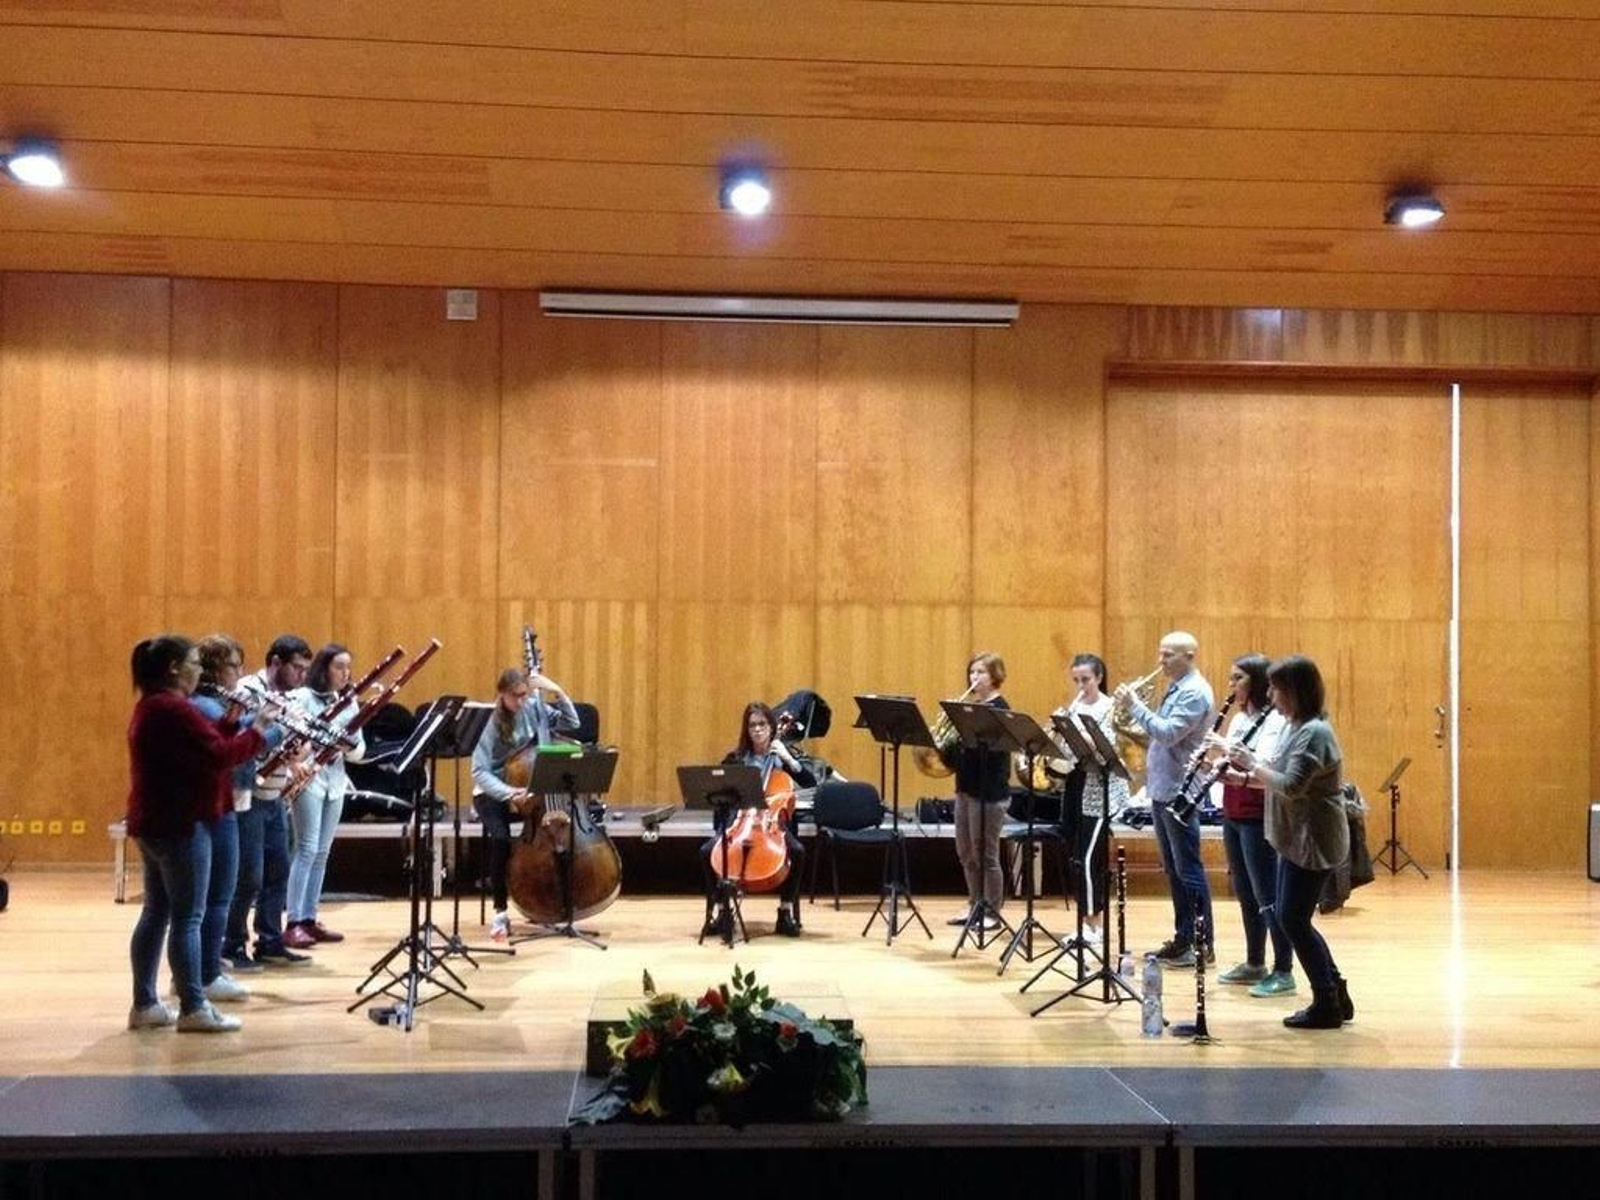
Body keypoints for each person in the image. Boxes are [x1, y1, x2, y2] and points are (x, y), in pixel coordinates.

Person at [126, 635, 266, 1033]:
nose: (200, 671)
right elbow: (219, 756)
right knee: (188, 917)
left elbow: (201, 746)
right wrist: (260, 731)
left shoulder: (153, 706)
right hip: (180, 823)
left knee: (157, 913)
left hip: (155, 821)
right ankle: (193, 1007)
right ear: (174, 668)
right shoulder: (173, 708)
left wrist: (230, 721)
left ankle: (145, 1005)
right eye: (194, 663)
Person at [1225, 654, 1354, 1030]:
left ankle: (1326, 1001)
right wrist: (1238, 779)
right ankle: (1334, 992)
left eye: (1275, 688)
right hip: (1294, 837)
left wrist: (1250, 765)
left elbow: (1293, 785)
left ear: (1294, 691)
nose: (1269, 695)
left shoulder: (1314, 733)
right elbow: (1277, 775)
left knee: (1293, 919)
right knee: (1291, 917)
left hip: (1313, 838)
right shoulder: (1294, 726)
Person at [1118, 631, 1215, 967]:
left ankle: (1201, 944)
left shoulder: (1195, 692)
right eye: (1160, 654)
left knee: (1189, 870)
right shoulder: (1176, 688)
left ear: (1189, 656)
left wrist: (1134, 706)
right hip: (1163, 789)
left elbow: (1169, 733)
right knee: (1174, 870)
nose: (1161, 661)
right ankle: (1183, 937)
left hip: (1180, 792)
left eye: (1168, 655)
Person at [187, 634, 273, 1004]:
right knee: (215, 897)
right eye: (233, 666)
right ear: (213, 669)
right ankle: (205, 975)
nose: (240, 672)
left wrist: (253, 720)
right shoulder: (205, 705)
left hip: (225, 800)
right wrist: (272, 728)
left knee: (209, 898)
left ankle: (203, 971)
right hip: (217, 804)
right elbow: (233, 749)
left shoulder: (214, 704)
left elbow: (232, 732)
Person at [1203, 654, 1294, 997]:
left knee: (1267, 895)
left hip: (1259, 814)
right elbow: (1232, 765)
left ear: (1256, 681)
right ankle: (1255, 962)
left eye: (1238, 678)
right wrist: (1211, 767)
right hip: (1233, 812)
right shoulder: (1240, 718)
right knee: (1245, 893)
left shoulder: (1275, 721)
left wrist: (1225, 748)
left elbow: (1264, 764)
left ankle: (1283, 970)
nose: (1231, 685)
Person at [470, 665, 580, 941]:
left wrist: (556, 690)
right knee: (501, 839)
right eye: (515, 696)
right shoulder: (493, 723)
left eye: (524, 694)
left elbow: (572, 723)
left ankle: (549, 902)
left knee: (554, 833)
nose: (520, 701)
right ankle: (500, 912)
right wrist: (508, 793)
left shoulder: (534, 707)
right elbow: (479, 770)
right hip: (495, 791)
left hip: (532, 791)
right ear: (502, 695)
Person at [225, 634, 314, 969]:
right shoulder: (249, 691)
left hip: (275, 796)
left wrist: (298, 754)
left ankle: (270, 941)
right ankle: (232, 945)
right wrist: (280, 741)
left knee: (278, 871)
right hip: (249, 795)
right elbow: (243, 743)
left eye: (305, 670)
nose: (301, 676)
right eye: (297, 668)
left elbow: (299, 742)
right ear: (276, 662)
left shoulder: (289, 697)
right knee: (248, 876)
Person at [700, 702, 812, 938]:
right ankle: (721, 911)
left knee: (798, 851)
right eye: (752, 725)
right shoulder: (736, 759)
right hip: (740, 824)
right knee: (707, 851)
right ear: (747, 729)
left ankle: (785, 912)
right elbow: (718, 791)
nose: (758, 729)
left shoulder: (783, 760)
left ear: (772, 727)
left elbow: (810, 782)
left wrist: (789, 759)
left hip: (771, 827)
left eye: (762, 724)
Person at [283, 643, 367, 950]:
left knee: (322, 852)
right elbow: (291, 741)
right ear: (324, 669)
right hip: (310, 779)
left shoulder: (348, 702)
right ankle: (293, 922)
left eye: (348, 667)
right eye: (338, 667)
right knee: (306, 848)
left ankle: (309, 918)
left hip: (336, 780)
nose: (345, 673)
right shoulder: (302, 698)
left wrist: (346, 745)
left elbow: (360, 750)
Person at [1055, 653, 1129, 935]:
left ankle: (1094, 926)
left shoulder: (1109, 709)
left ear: (1099, 678)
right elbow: (1066, 753)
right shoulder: (1074, 709)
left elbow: (1109, 750)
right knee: (1075, 855)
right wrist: (1060, 733)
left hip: (1101, 788)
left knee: (1088, 858)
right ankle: (1084, 922)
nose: (1080, 686)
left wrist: (1081, 736)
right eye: (1076, 680)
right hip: (1076, 783)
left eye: (1085, 679)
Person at [949, 652, 1010, 932]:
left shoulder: (1000, 710)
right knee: (966, 852)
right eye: (972, 672)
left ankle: (992, 912)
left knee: (986, 855)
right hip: (965, 788)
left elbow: (994, 754)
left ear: (995, 675)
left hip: (989, 792)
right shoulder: (971, 709)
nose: (975, 677)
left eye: (981, 672)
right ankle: (975, 903)